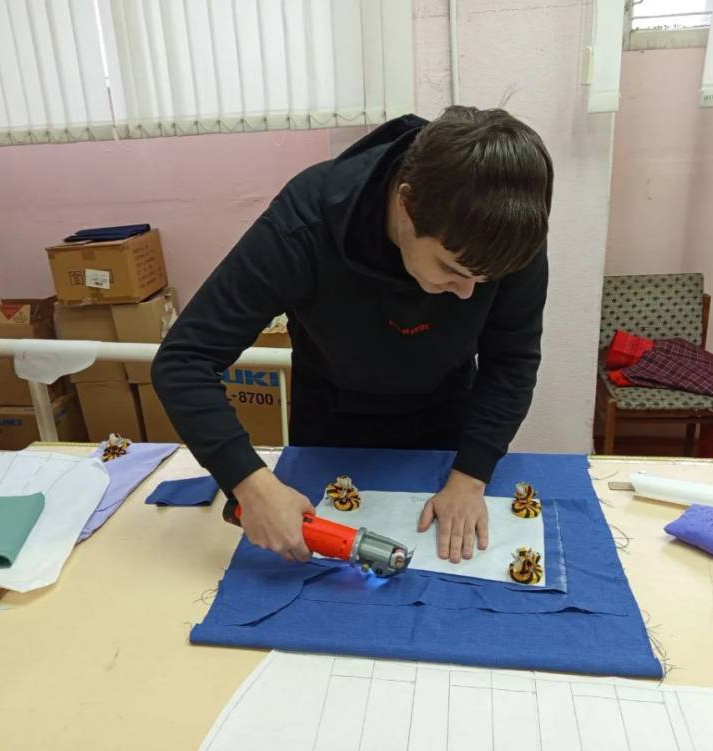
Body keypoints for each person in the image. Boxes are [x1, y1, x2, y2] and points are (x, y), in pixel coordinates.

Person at [152, 105, 553, 565]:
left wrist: (471, 475)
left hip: (446, 428)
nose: (467, 294)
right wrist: (249, 483)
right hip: (331, 423)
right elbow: (183, 361)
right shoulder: (306, 222)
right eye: (452, 270)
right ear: (406, 205)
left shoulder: (503, 236)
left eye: (484, 282)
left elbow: (512, 360)